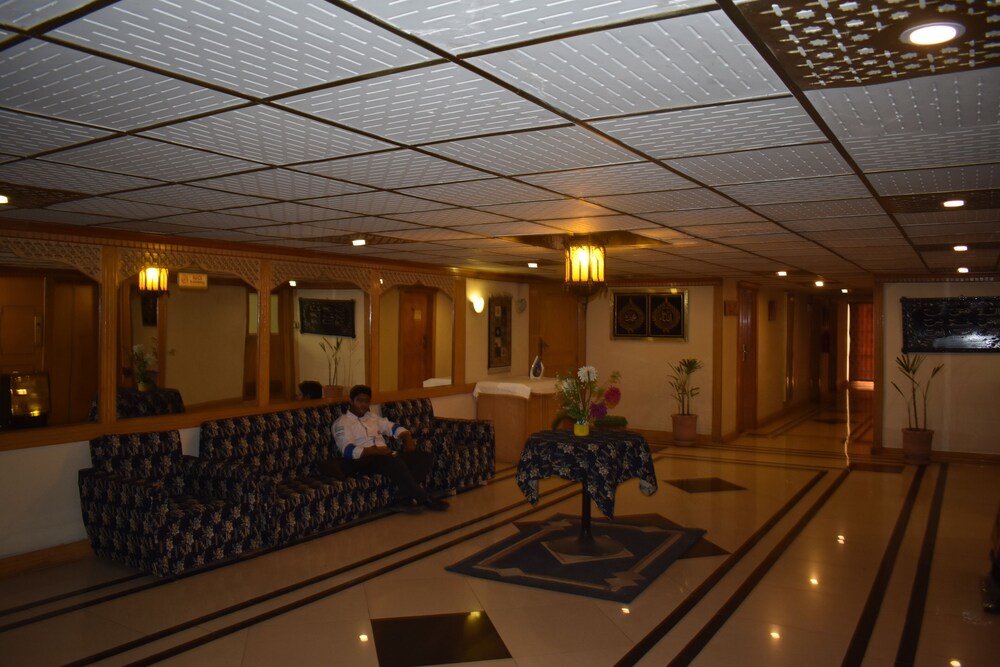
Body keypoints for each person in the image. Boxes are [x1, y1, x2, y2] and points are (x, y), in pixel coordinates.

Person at [332, 384, 448, 512]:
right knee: (393, 460)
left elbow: (392, 427)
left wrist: (407, 437)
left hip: (385, 455)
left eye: (366, 401)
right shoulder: (342, 423)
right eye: (360, 401)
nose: (363, 405)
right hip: (365, 460)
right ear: (351, 401)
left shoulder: (371, 417)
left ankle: (401, 497)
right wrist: (376, 450)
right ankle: (424, 498)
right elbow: (347, 451)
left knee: (425, 457)